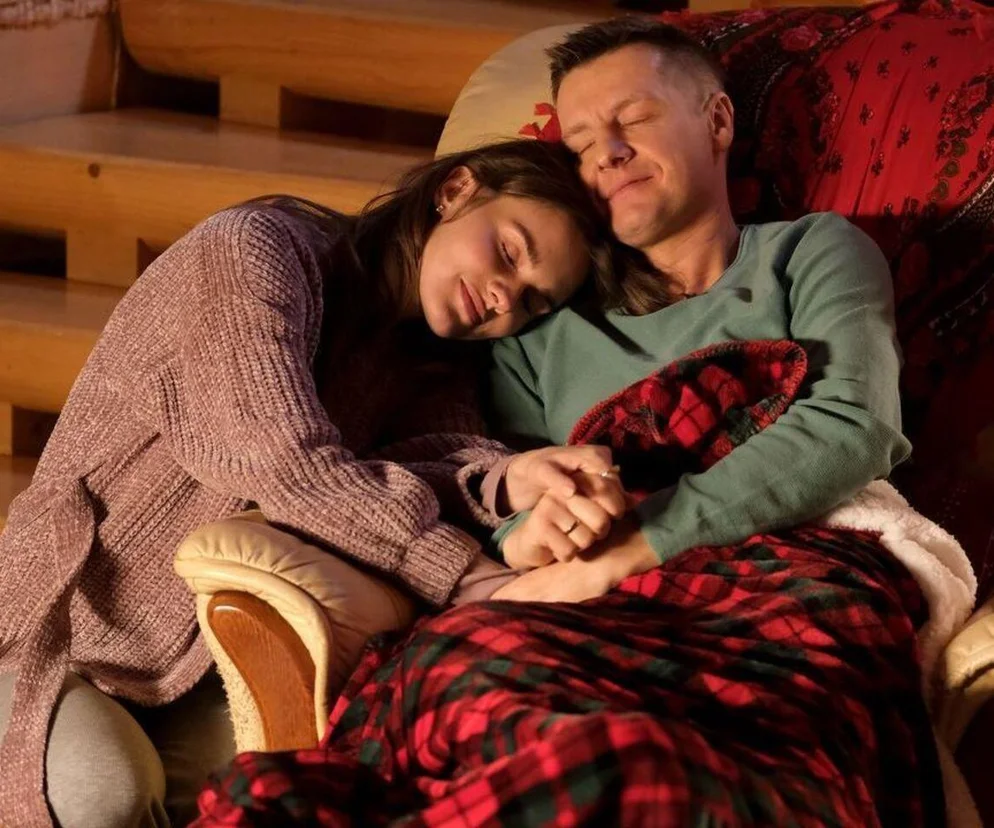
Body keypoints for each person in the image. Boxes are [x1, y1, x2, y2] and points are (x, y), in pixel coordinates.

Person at [0, 139, 630, 828]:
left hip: (202, 663)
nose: (506, 296)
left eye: (533, 301)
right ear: (454, 191)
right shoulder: (252, 250)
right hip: (65, 635)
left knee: (316, 791)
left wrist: (511, 479)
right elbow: (284, 461)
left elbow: (429, 465)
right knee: (107, 792)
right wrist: (475, 581)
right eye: (508, 252)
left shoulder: (430, 358)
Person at [482, 16, 910, 601]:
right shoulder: (537, 328)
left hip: (788, 579)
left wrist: (636, 548)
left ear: (718, 121)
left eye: (634, 119)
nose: (607, 154)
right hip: (586, 600)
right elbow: (503, 492)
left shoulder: (812, 252)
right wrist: (527, 534)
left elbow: (856, 426)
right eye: (580, 146)